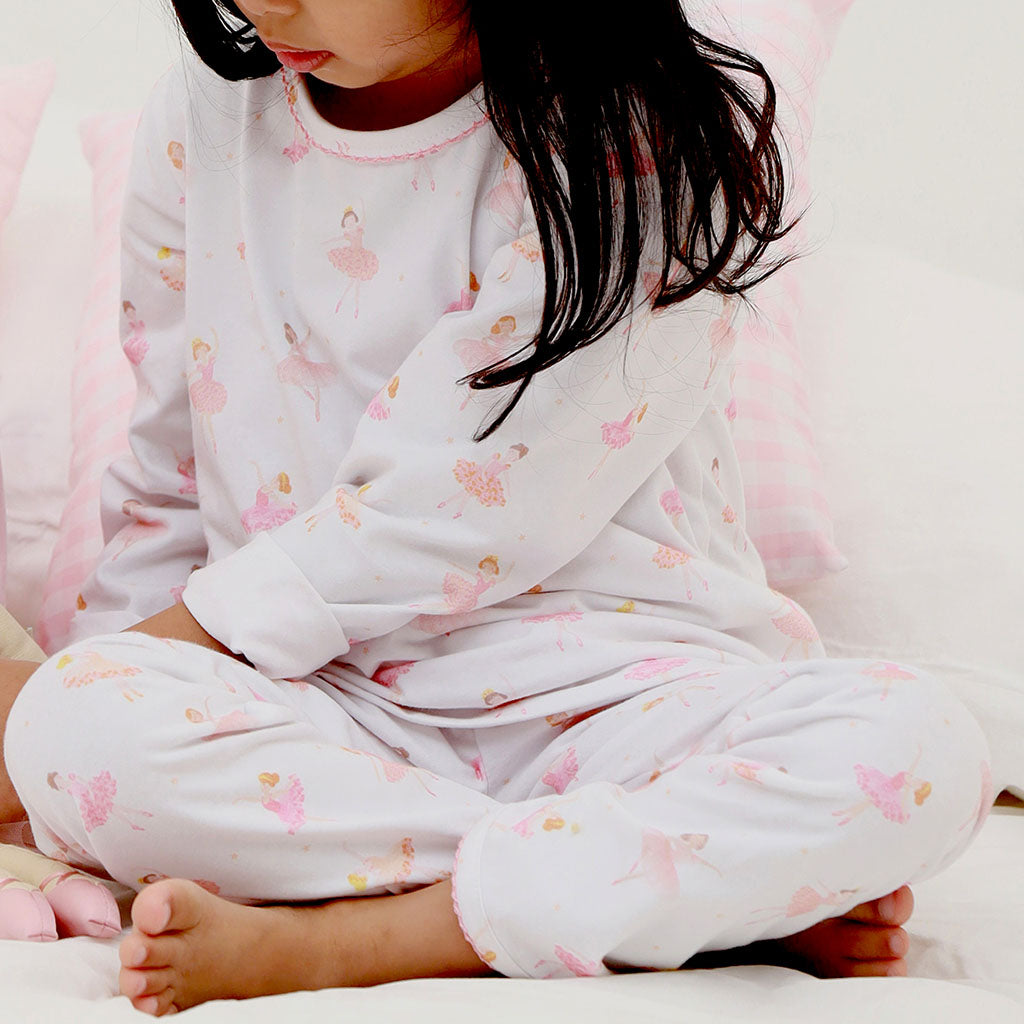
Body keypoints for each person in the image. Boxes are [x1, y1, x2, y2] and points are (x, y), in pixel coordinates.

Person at [0, 0, 992, 1015]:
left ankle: (382, 933)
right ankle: (656, 897)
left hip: (625, 698)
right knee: (77, 729)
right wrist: (86, 711)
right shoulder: (208, 113)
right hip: (335, 720)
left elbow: (466, 502)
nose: (269, 4)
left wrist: (141, 662)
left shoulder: (638, 134)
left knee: (919, 747)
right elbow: (168, 475)